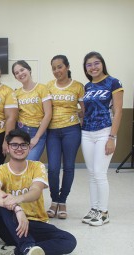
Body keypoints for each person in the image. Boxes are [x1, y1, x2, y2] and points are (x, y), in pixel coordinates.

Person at [0, 129, 77, 255]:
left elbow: (36, 191)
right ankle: (28, 246)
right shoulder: (0, 171)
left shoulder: (37, 166)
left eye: (23, 145)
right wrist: (17, 208)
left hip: (36, 223)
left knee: (69, 241)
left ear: (29, 148)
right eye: (15, 145)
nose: (19, 149)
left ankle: (14, 252)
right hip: (12, 227)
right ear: (8, 147)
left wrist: (17, 199)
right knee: (3, 199)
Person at [81, 51, 123, 226]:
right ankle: (94, 209)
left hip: (105, 132)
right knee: (91, 174)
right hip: (87, 133)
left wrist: (111, 137)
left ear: (102, 64)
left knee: (100, 173)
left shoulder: (113, 82)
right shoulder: (87, 86)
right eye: (89, 64)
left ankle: (104, 212)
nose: (93, 67)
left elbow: (118, 111)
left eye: (96, 63)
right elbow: (85, 111)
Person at [45, 55, 85, 219]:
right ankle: (54, 199)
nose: (57, 71)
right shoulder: (48, 86)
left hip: (71, 131)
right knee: (53, 168)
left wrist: (79, 123)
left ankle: (62, 201)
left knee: (68, 167)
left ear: (67, 67)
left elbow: (84, 110)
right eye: (54, 68)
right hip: (52, 132)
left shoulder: (78, 86)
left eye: (59, 67)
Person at [12, 60, 52, 161]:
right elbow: (14, 115)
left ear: (29, 70)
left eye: (22, 70)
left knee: (30, 162)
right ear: (15, 77)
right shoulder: (16, 93)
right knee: (20, 163)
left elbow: (48, 114)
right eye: (17, 73)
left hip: (37, 132)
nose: (20, 73)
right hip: (21, 131)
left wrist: (37, 137)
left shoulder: (42, 88)